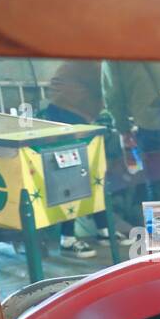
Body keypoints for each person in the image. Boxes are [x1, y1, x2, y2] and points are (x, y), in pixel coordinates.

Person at [41, 60, 109, 258]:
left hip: (69, 116)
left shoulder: (82, 59)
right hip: (70, 118)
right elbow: (106, 84)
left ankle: (103, 229)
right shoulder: (90, 61)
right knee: (74, 177)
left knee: (88, 175)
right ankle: (68, 238)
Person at [101, 60, 160, 202]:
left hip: (151, 125)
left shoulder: (114, 47)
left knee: (158, 186)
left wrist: (123, 128)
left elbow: (113, 94)